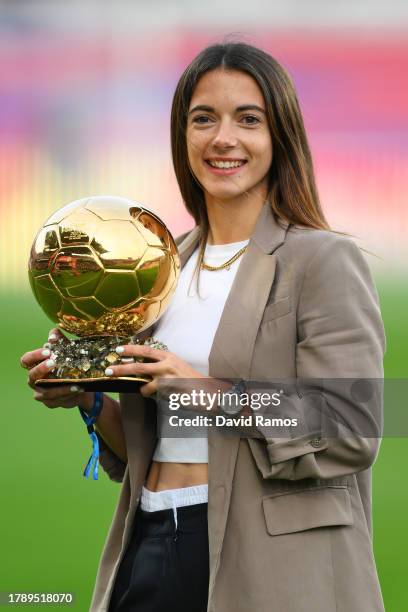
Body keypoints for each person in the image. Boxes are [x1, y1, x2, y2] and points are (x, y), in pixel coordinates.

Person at [21, 42, 386, 612]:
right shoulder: (162, 267)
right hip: (149, 541)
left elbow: (352, 423)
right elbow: (156, 440)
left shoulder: (322, 260)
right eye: (203, 119)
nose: (223, 138)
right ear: (182, 136)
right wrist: (88, 399)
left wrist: (198, 392)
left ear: (280, 136)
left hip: (271, 566)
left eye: (248, 119)